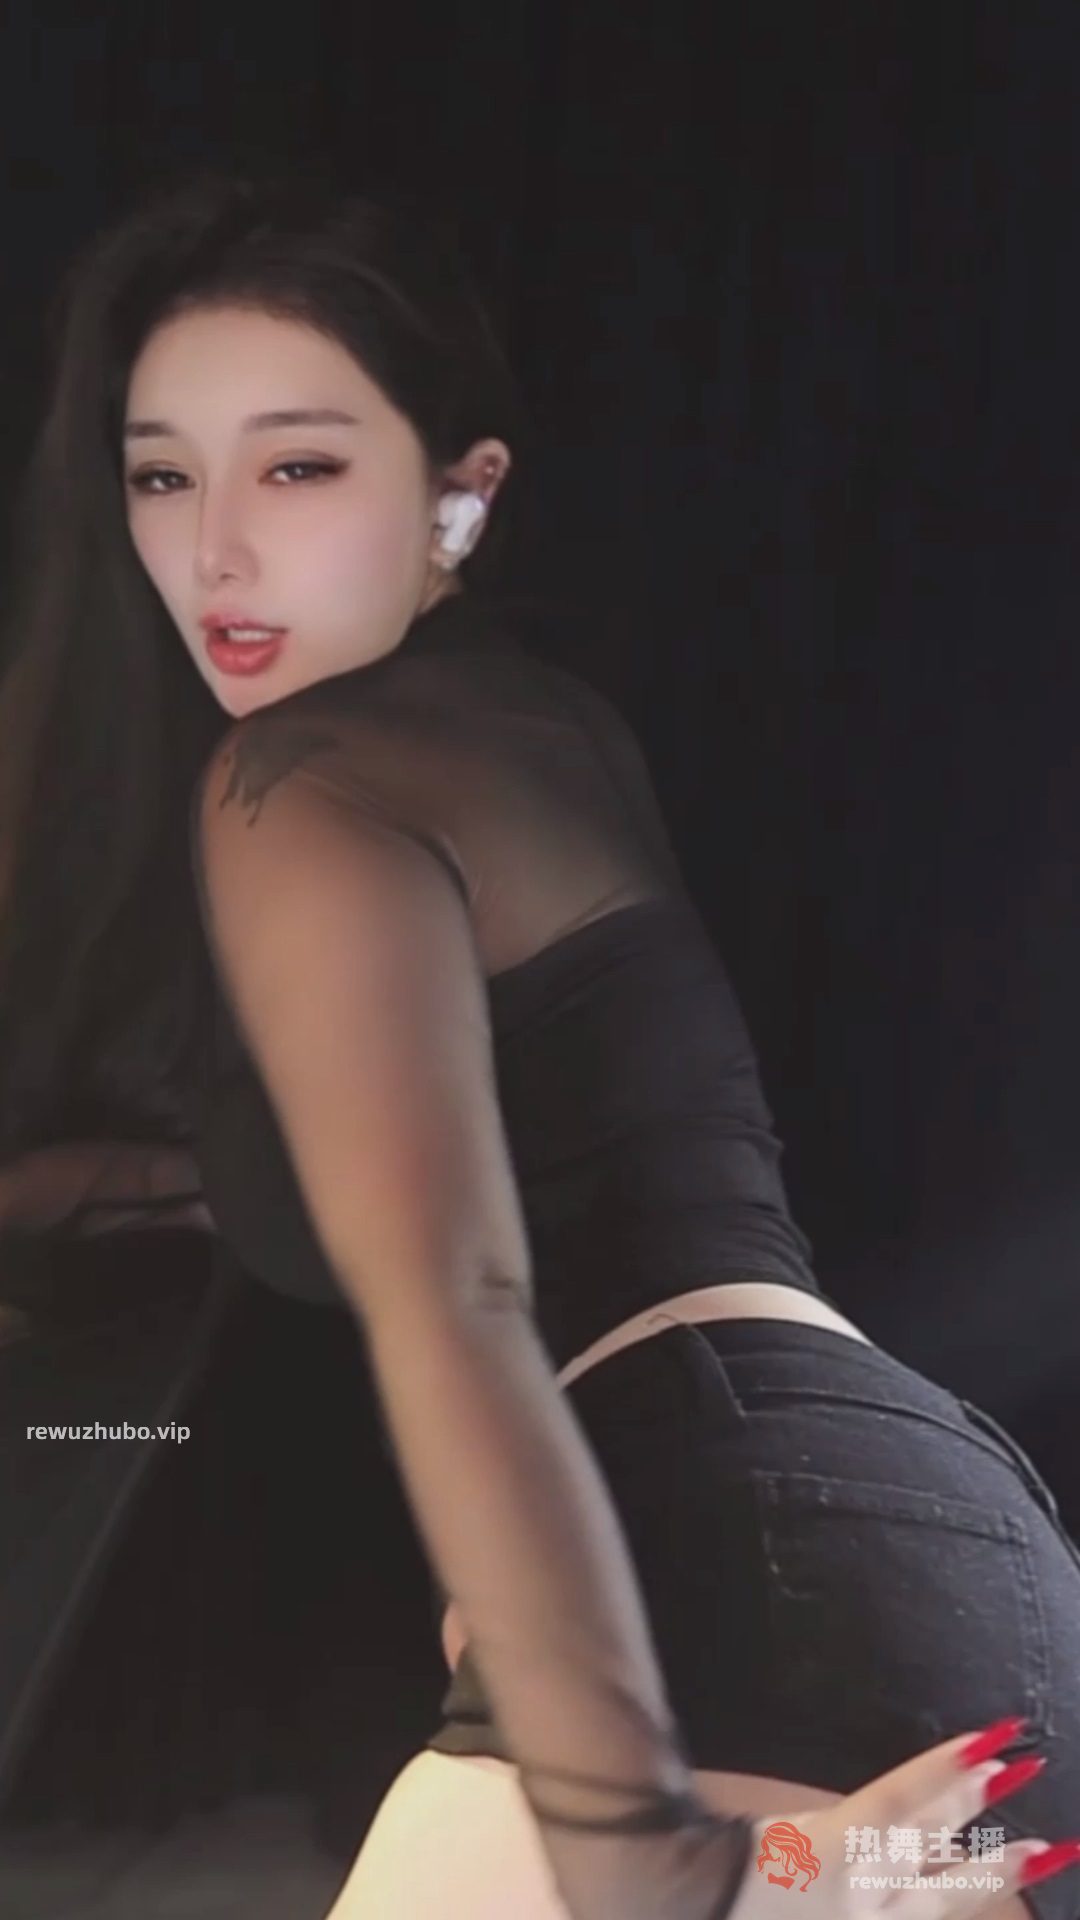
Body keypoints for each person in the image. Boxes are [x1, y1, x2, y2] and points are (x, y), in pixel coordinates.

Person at [0, 165, 1078, 1920]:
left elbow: (465, 1294)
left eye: (298, 466)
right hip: (945, 1528)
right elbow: (383, 1168)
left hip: (724, 1551)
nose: (214, 553)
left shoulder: (300, 777)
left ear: (461, 494)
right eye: (162, 476)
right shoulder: (534, 728)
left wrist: (653, 1859)